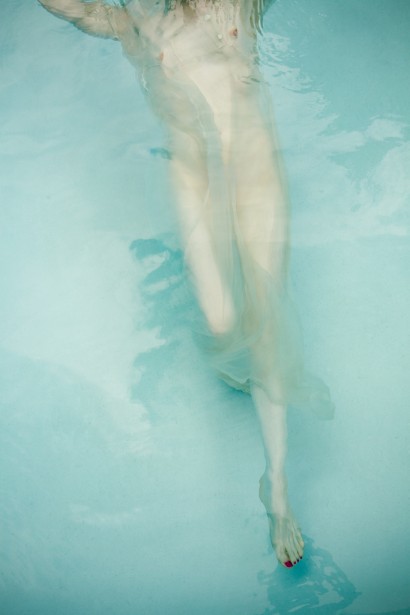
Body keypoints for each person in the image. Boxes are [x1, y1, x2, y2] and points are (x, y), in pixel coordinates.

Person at [38, 0, 334, 568]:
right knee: (222, 325)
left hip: (255, 165)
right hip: (192, 172)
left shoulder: (240, 5)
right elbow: (73, 8)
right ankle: (244, 366)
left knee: (267, 324)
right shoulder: (135, 21)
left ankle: (276, 492)